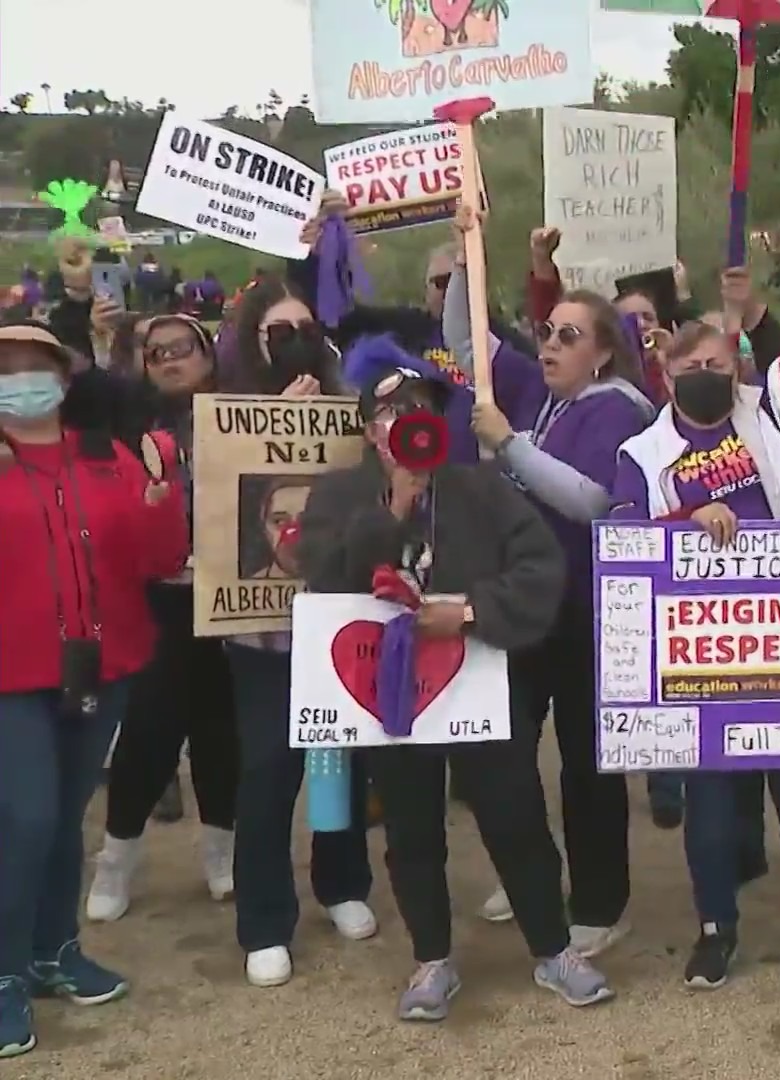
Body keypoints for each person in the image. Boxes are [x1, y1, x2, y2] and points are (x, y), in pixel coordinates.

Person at [297, 356, 613, 1020]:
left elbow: (540, 565)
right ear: (366, 431)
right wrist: (394, 508)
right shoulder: (336, 495)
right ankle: (431, 958)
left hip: (478, 683)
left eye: (416, 407)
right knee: (411, 828)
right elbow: (324, 578)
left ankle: (554, 948)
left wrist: (469, 611)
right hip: (389, 694)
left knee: (516, 813)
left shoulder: (481, 488)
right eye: (387, 412)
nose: (403, 422)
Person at [609, 214, 780, 990]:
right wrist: (682, 521)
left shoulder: (773, 409)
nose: (708, 374)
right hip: (700, 649)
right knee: (711, 803)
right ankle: (715, 928)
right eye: (692, 367)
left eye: (720, 360)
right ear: (670, 379)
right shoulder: (643, 454)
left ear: (736, 365)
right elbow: (621, 541)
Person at [441, 206, 654, 946]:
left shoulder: (620, 409)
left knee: (588, 764)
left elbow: (595, 501)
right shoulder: (542, 395)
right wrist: (469, 254)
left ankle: (599, 904)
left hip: (589, 612)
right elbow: (464, 341)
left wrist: (509, 448)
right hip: (525, 602)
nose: (551, 344)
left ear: (601, 354)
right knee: (502, 756)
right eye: (547, 332)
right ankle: (529, 872)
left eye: (569, 335)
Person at [0, 319, 188, 1059]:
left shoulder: (104, 455)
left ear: (64, 376)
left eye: (33, 365)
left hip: (98, 667)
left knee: (64, 815)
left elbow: (160, 555)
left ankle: (53, 949)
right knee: (27, 817)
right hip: (10, 674)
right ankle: (4, 971)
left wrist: (159, 491)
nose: (21, 378)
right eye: (5, 366)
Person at [195, 281, 380, 988]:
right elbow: (207, 507)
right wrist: (271, 429)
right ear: (251, 340)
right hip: (262, 637)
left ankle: (343, 883)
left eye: (305, 326)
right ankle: (265, 921)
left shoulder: (346, 403)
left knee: (343, 762)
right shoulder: (219, 413)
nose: (295, 337)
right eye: (279, 329)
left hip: (337, 623)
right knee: (269, 771)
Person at [86, 315, 243, 924]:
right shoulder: (130, 422)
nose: (172, 359)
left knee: (220, 733)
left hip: (228, 595)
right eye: (157, 353)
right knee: (149, 733)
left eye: (183, 348)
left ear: (209, 354)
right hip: (159, 595)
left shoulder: (240, 409)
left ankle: (221, 854)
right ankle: (116, 858)